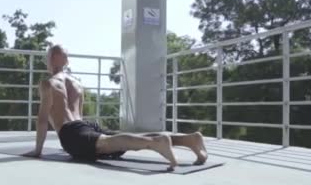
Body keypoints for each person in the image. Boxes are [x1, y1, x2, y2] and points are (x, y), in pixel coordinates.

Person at [23, 44, 208, 171]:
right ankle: (189, 140)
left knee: (106, 144)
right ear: (66, 61)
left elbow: (42, 119)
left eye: (47, 58)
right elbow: (78, 114)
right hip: (85, 126)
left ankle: (156, 143)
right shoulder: (78, 84)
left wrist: (38, 150)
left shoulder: (48, 84)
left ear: (52, 59)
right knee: (119, 138)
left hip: (71, 133)